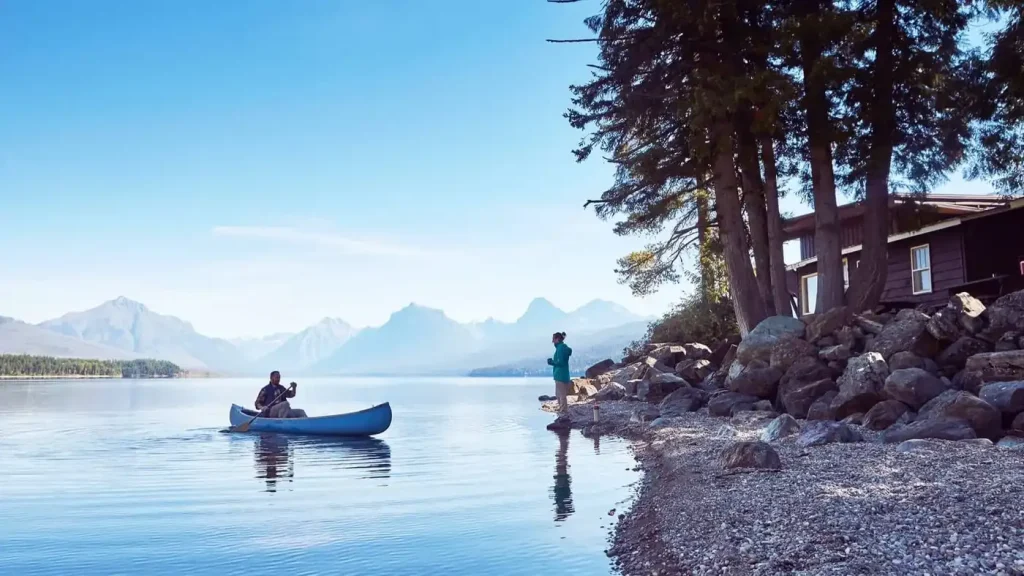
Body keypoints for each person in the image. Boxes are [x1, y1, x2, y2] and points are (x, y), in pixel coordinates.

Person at [547, 331, 573, 416]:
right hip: (565, 375)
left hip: (559, 375)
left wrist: (552, 362)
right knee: (559, 395)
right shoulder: (563, 347)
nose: (552, 341)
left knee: (561, 395)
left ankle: (563, 412)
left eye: (553, 339)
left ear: (557, 339)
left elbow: (560, 362)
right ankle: (562, 411)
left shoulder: (560, 348)